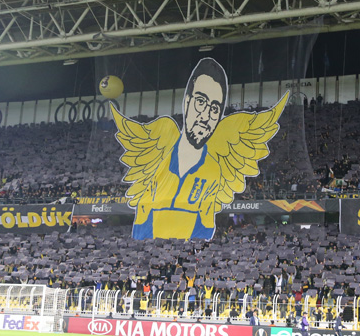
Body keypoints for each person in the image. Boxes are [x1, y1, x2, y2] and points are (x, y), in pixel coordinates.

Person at [113, 58, 288, 240]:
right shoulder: (162, 145)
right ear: (186, 102)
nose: (206, 116)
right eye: (201, 102)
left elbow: (206, 224)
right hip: (146, 247)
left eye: (214, 109)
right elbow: (142, 213)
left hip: (188, 251)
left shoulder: (214, 169)